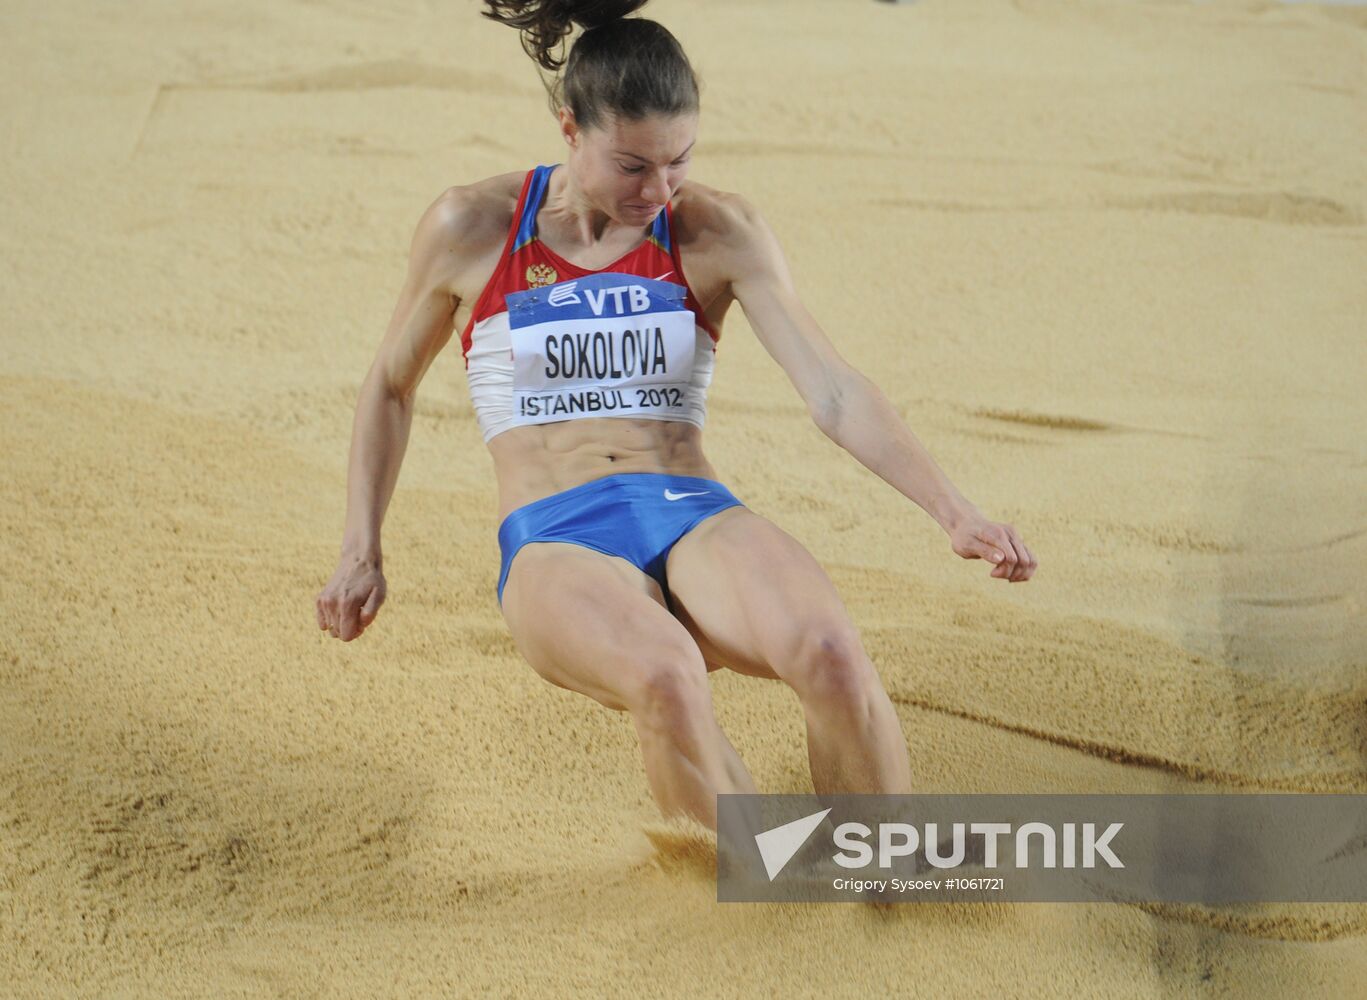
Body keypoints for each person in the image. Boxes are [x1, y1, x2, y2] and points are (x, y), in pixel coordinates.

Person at [315, 0, 1037, 836]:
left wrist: (956, 513)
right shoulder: (472, 227)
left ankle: (884, 879)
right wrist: (359, 551)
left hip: (692, 514)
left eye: (678, 161)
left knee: (831, 654)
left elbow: (833, 390)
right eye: (631, 166)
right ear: (569, 129)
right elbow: (390, 388)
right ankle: (765, 895)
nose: (658, 190)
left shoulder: (715, 229)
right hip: (556, 536)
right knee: (665, 673)